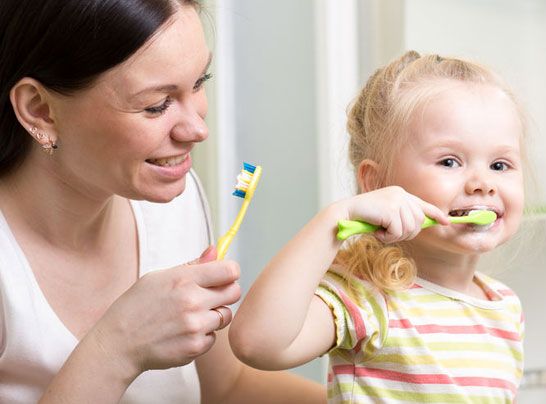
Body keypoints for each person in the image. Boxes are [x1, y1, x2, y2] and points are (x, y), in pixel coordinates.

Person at [0, 1, 324, 403]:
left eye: (199, 82)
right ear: (40, 110)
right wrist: (116, 348)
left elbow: (227, 387)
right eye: (157, 104)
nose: (198, 129)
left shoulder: (173, 205)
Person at [229, 50, 527, 403]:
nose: (483, 183)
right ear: (378, 182)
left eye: (500, 165)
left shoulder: (505, 307)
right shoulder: (369, 298)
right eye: (449, 161)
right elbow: (256, 343)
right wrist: (334, 219)